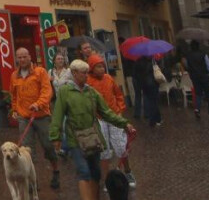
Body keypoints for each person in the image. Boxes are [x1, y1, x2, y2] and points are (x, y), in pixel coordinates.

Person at [50, 59, 136, 200]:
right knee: (84, 172)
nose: (86, 75)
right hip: (75, 139)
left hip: (93, 138)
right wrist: (55, 137)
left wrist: (124, 124)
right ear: (74, 73)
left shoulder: (91, 92)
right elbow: (57, 115)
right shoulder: (65, 92)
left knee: (95, 172)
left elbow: (106, 112)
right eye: (83, 73)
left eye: (87, 72)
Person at [10, 47, 60, 190]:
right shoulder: (14, 76)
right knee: (27, 150)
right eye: (19, 57)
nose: (22, 59)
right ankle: (32, 181)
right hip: (24, 118)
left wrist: (39, 104)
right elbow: (14, 95)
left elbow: (47, 91)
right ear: (16, 59)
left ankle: (56, 171)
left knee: (48, 146)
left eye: (24, 56)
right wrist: (15, 109)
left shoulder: (40, 72)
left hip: (41, 115)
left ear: (29, 57)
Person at [86, 54, 135, 189]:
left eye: (102, 66)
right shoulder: (88, 82)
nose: (102, 69)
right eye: (98, 67)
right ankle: (107, 179)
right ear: (92, 68)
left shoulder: (109, 78)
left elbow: (118, 95)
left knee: (121, 146)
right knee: (104, 150)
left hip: (113, 116)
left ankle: (128, 172)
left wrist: (120, 110)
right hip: (99, 119)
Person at [183, 41, 209, 119]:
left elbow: (187, 66)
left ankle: (197, 108)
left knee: (198, 94)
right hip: (205, 76)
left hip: (195, 77)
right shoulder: (203, 54)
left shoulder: (188, 56)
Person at [130, 52, 162, 127]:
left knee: (149, 100)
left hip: (144, 84)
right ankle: (154, 118)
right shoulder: (154, 61)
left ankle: (150, 117)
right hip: (152, 84)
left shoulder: (139, 61)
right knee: (153, 101)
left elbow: (135, 73)